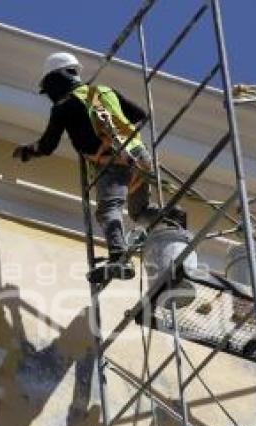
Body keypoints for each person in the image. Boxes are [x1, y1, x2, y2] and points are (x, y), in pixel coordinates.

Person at [13, 52, 182, 283]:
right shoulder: (103, 91)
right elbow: (141, 116)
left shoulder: (64, 105)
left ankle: (119, 258)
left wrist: (26, 151)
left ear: (56, 79)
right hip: (139, 158)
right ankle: (171, 217)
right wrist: (121, 137)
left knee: (108, 210)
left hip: (111, 162)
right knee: (139, 212)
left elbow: (47, 145)